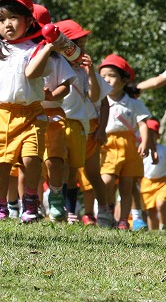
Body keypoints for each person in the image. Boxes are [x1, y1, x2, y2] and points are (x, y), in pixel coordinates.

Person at [0, 0, 67, 222]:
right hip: (2, 113)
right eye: (1, 20)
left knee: (31, 158)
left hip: (31, 113)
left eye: (14, 18)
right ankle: (0, 205)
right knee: (0, 162)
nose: (7, 24)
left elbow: (31, 72)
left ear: (29, 21)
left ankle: (30, 200)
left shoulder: (37, 49)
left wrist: (48, 47)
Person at [53, 19, 112, 226]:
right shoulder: (55, 66)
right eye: (75, 44)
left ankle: (104, 211)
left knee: (93, 173)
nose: (79, 49)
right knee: (67, 169)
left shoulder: (87, 72)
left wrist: (91, 73)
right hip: (60, 124)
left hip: (87, 128)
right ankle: (69, 211)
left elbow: (98, 98)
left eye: (82, 45)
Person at [98, 54, 151, 230]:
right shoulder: (99, 101)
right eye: (103, 76)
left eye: (111, 76)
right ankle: (107, 212)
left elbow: (143, 123)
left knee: (126, 186)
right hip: (108, 144)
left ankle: (123, 220)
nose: (106, 79)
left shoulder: (133, 103)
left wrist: (144, 142)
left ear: (124, 80)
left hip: (130, 147)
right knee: (106, 180)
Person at [36, 6, 77, 222]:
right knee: (28, 161)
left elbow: (66, 85)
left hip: (52, 114)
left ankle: (56, 195)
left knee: (54, 159)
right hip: (26, 114)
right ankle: (28, 202)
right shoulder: (20, 54)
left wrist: (52, 95)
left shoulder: (56, 58)